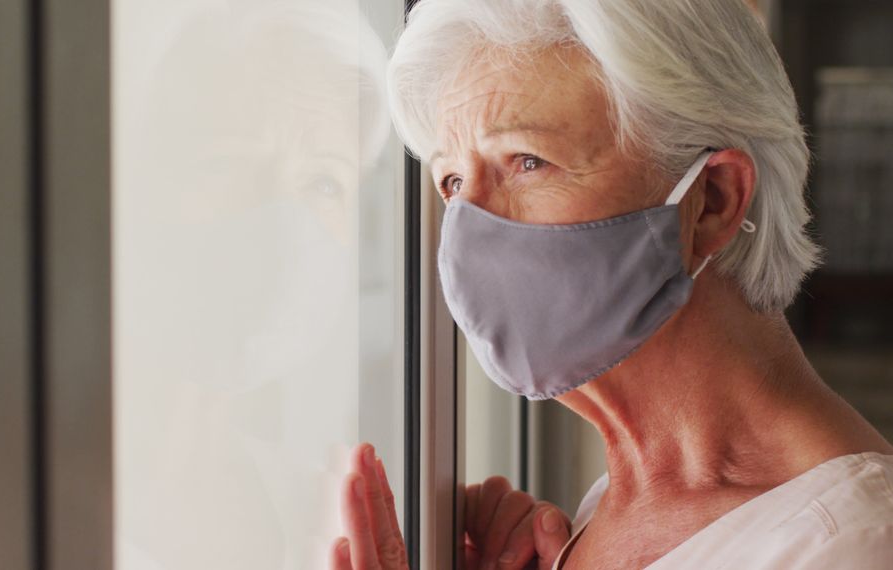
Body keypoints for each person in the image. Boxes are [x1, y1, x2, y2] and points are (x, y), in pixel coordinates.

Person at [330, 0, 893, 568]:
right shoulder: (622, 500)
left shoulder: (848, 544)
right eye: (452, 180)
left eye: (527, 162)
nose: (468, 232)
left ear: (712, 202)